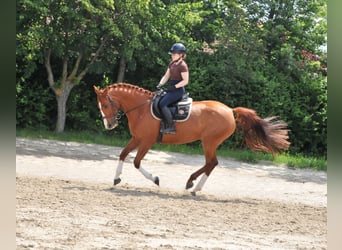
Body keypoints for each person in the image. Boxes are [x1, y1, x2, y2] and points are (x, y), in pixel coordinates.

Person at [157, 42, 189, 134]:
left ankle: (171, 127)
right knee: (157, 100)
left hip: (178, 90)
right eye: (172, 54)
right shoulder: (172, 64)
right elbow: (166, 76)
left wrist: (174, 87)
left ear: (181, 55)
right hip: (172, 88)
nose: (172, 55)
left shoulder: (183, 66)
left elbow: (185, 81)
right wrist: (160, 84)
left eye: (174, 54)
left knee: (162, 104)